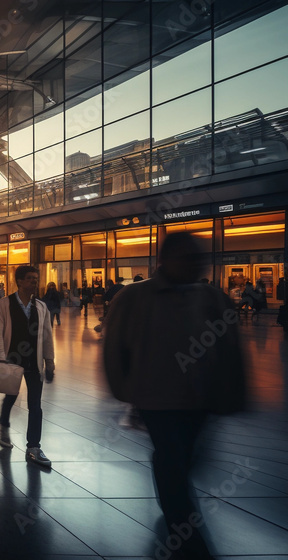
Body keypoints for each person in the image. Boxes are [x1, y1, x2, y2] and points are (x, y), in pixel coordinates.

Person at [104, 232, 246, 560]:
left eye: (199, 259)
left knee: (184, 459)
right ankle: (187, 538)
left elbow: (230, 350)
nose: (196, 265)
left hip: (201, 399)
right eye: (187, 258)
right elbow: (115, 348)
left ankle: (174, 497)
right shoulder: (135, 297)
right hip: (157, 399)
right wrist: (126, 390)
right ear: (164, 260)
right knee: (172, 460)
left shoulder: (212, 298)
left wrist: (231, 395)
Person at [0, 265, 55, 468]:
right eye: (30, 278)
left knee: (35, 405)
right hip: (12, 360)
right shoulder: (4, 304)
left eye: (36, 279)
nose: (34, 282)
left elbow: (47, 335)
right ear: (19, 281)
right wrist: (1, 359)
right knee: (11, 395)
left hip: (34, 363)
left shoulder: (41, 307)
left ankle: (33, 447)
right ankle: (3, 424)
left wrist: (49, 360)